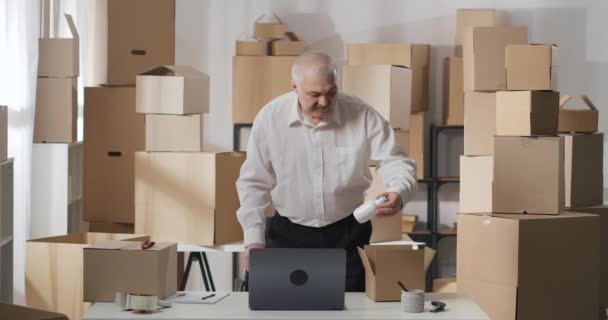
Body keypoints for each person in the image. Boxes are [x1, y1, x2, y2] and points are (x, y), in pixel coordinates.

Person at [236, 51, 417, 292]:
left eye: (331, 92)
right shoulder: (270, 118)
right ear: (295, 87)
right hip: (288, 234)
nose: (324, 102)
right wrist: (253, 240)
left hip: (348, 233)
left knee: (350, 311)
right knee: (278, 311)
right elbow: (253, 182)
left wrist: (399, 190)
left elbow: (396, 160)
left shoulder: (362, 114)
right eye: (314, 94)